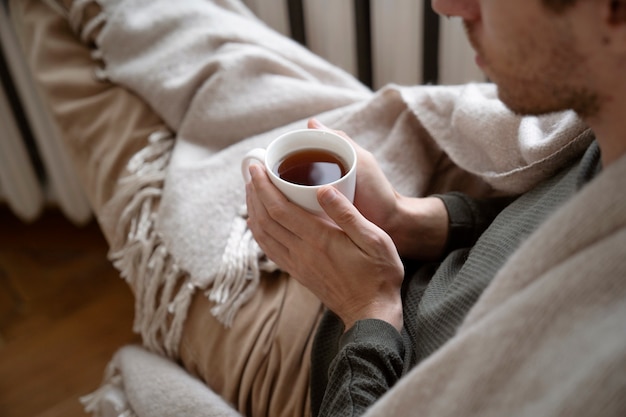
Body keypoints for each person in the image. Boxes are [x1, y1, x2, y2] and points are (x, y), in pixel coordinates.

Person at [245, 0, 626, 416]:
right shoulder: (606, 149)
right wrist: (410, 222)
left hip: (337, 363)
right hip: (388, 277)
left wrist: (367, 310)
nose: (444, 5)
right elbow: (535, 225)